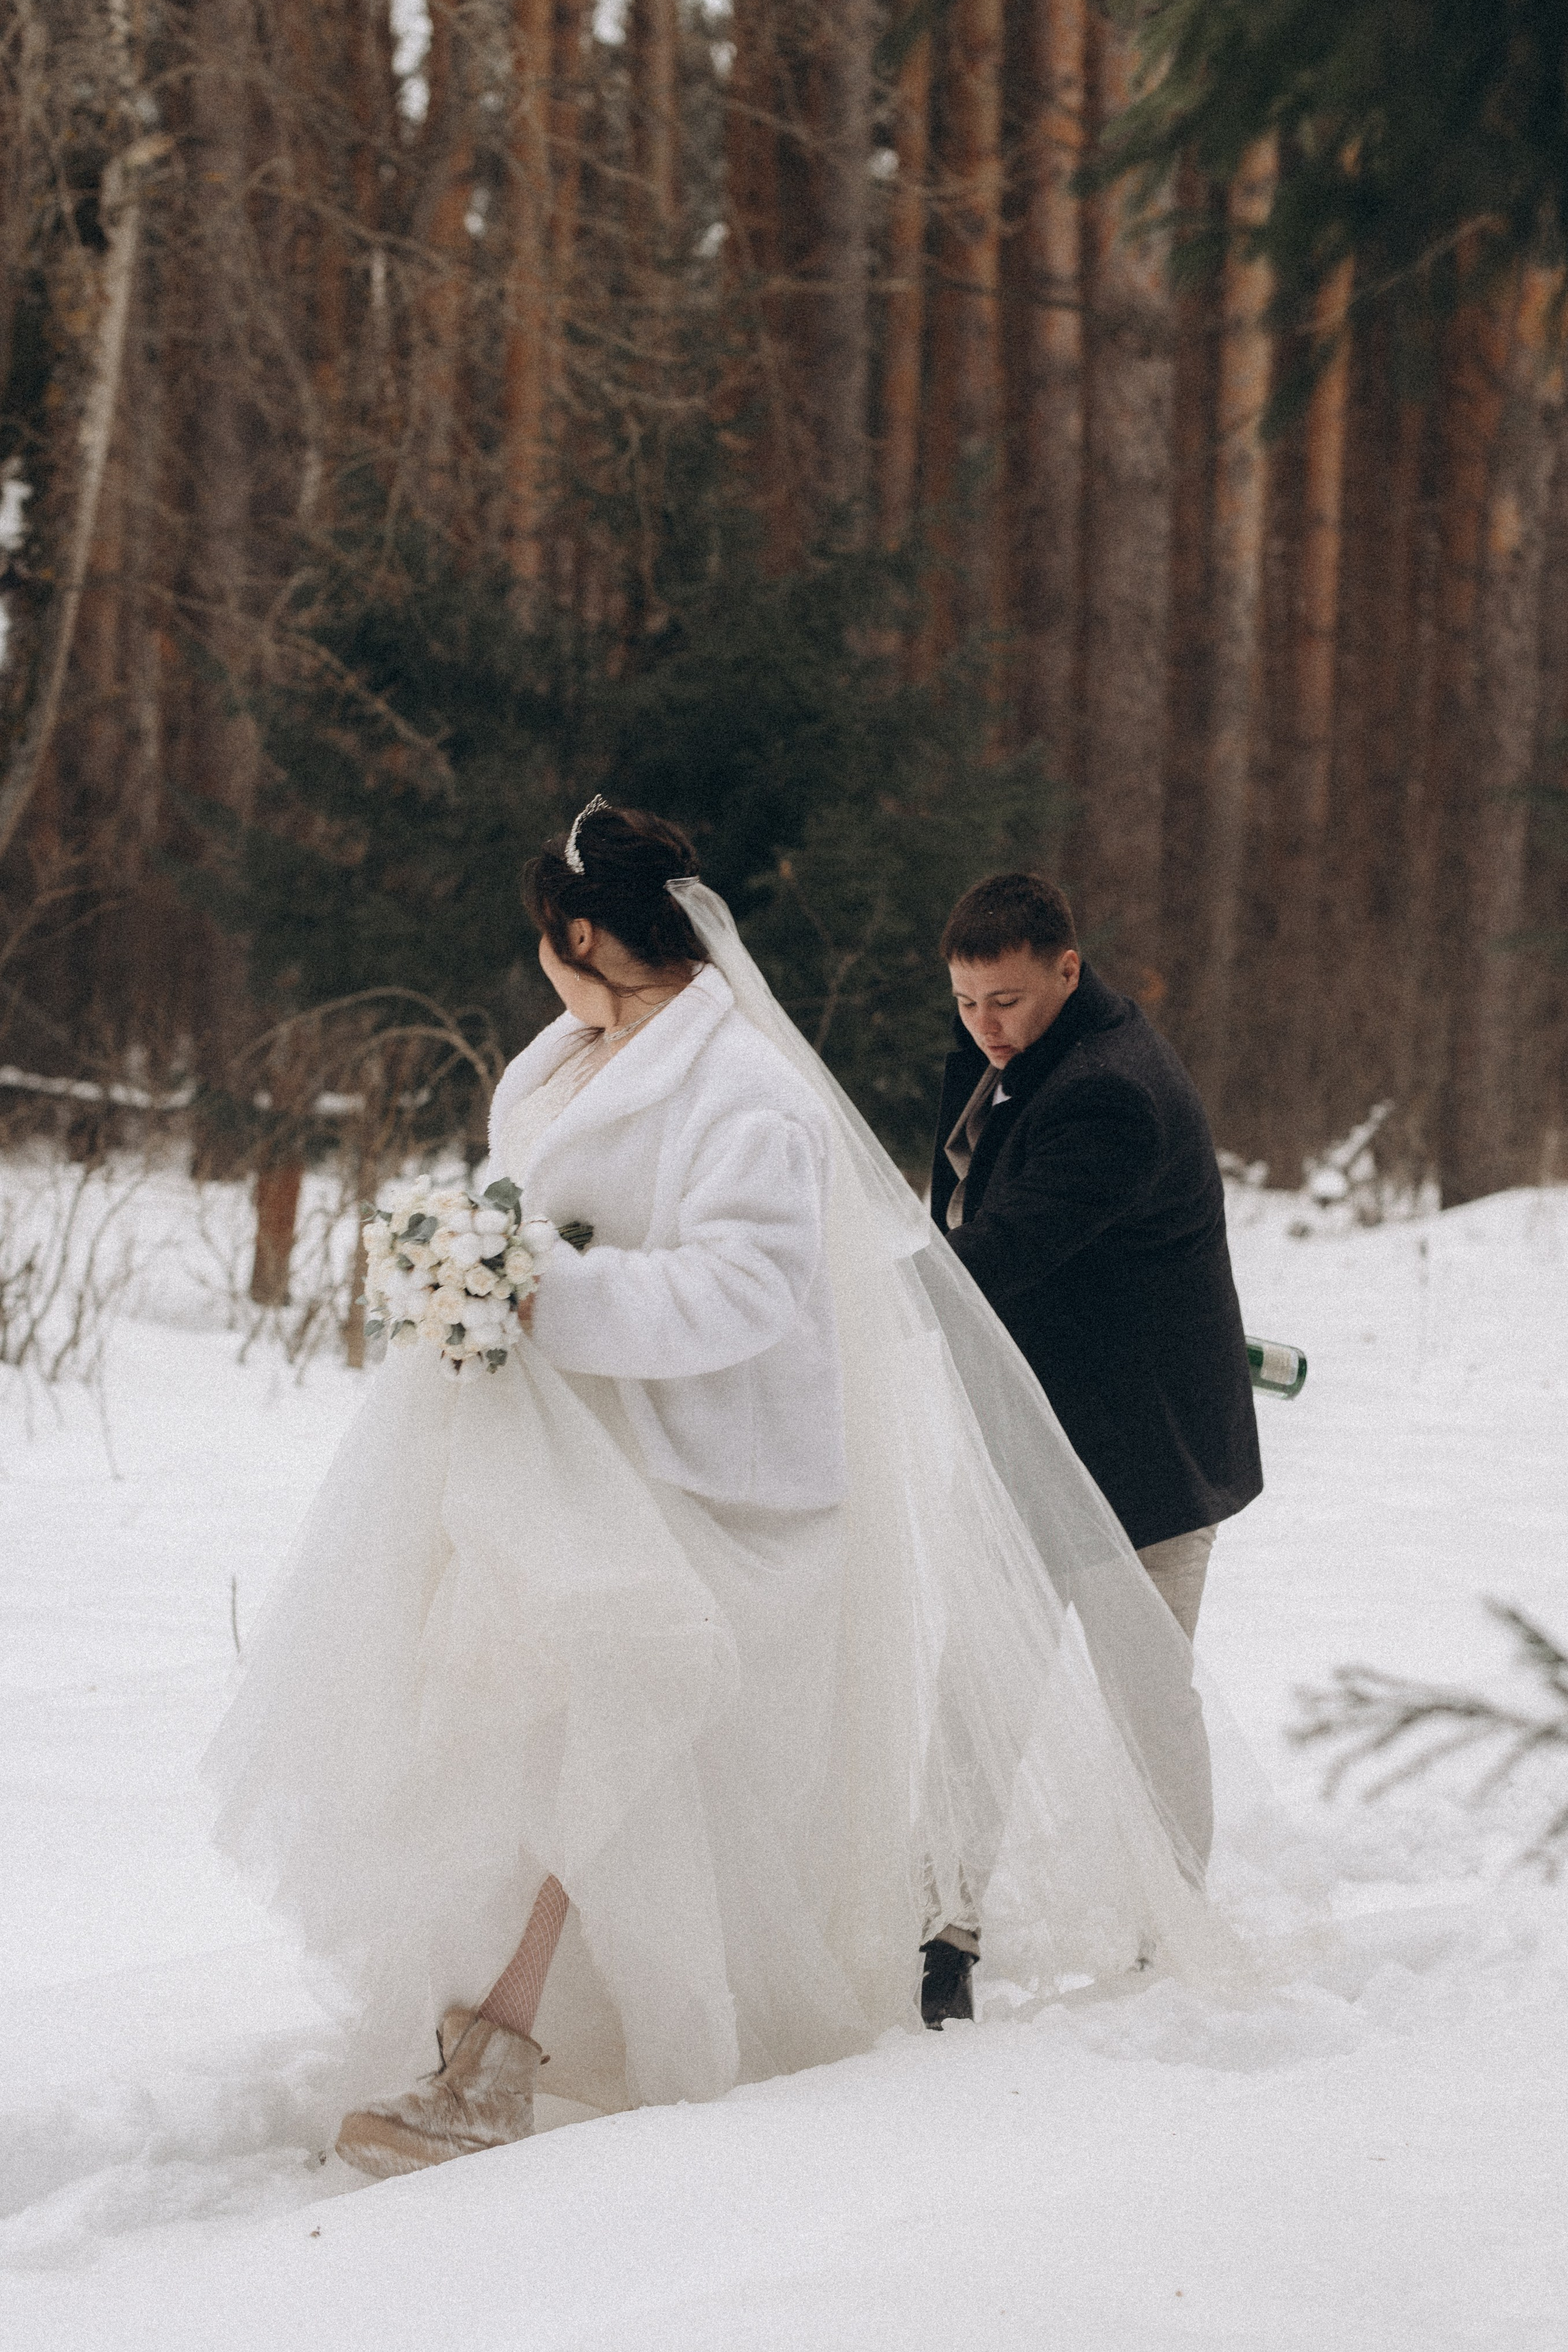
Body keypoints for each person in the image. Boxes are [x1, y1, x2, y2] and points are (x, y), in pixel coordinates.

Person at [204, 803, 1231, 2183]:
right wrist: (466, 1256)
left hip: (710, 1479)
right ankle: (497, 2030)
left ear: (583, 937)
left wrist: (533, 1290)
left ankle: (498, 2058)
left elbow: (744, 1292)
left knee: (607, 1735)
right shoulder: (570, 1060)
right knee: (500, 1728)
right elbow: (550, 1204)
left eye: (546, 947)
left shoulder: (746, 1094)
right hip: (566, 1461)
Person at [931, 870, 1262, 1640]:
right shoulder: (1026, 1048)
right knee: (981, 1708)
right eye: (964, 999)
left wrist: (855, 1287)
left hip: (1142, 1468)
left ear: (1068, 969)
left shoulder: (1110, 1096)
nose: (983, 1023)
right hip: (1044, 1447)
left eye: (1004, 1000)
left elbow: (1002, 1249)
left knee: (1142, 1720)